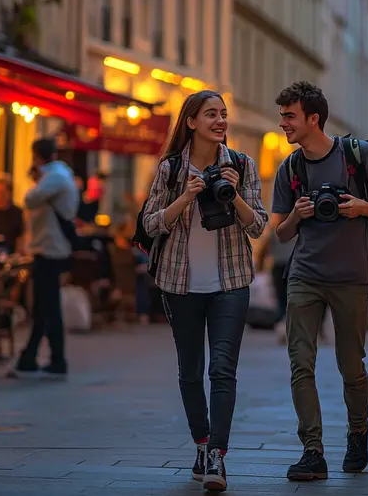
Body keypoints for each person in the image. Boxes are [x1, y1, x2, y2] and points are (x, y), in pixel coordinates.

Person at [270, 81, 368, 480]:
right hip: (304, 276)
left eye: (289, 116)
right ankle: (312, 450)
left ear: (313, 118)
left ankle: (358, 432)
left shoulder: (357, 156)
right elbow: (280, 233)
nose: (283, 124)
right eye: (282, 116)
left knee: (351, 366)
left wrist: (361, 207)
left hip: (351, 278)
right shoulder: (290, 168)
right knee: (300, 363)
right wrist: (298, 215)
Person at [142, 90, 267, 491]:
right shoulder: (170, 169)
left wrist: (235, 195)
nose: (220, 121)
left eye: (223, 114)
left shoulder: (242, 165)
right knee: (191, 371)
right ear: (192, 121)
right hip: (180, 284)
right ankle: (200, 443)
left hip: (230, 282)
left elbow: (258, 225)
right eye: (211, 114)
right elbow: (150, 223)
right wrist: (186, 196)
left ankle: (217, 455)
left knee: (223, 369)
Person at [8, 138, 79, 379]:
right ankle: (30, 357)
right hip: (49, 247)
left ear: (36, 155)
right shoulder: (58, 174)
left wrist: (37, 179)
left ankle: (56, 360)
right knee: (42, 306)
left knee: (48, 306)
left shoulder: (55, 176)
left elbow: (30, 199)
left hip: (50, 249)